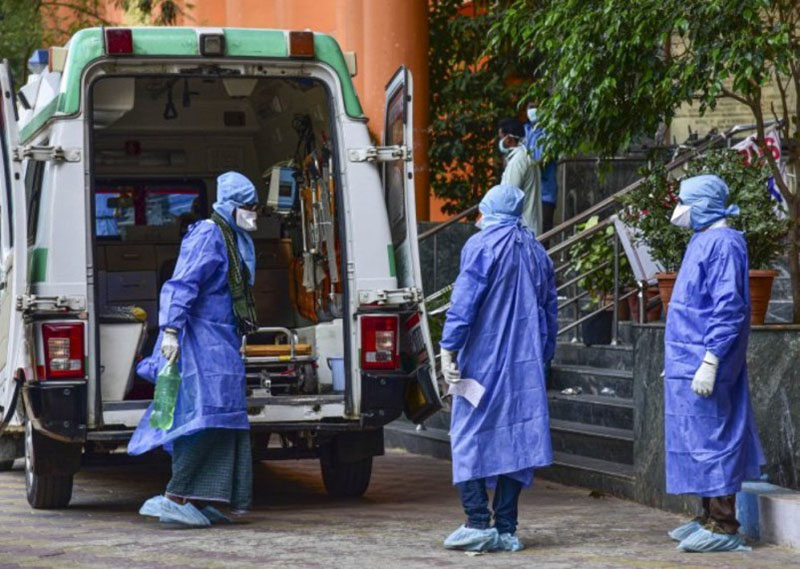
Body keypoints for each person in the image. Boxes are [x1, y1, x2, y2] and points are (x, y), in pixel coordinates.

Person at [128, 171, 260, 527]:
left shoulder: (237, 239)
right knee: (200, 420)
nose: (254, 213)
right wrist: (170, 330)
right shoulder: (208, 234)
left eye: (256, 207)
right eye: (248, 206)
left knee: (224, 419)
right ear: (230, 205)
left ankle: (200, 499)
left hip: (222, 342)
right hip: (198, 343)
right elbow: (182, 283)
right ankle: (175, 497)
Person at [439, 184, 558, 553]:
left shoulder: (481, 246)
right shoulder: (537, 252)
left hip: (482, 361)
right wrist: (544, 359)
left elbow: (464, 303)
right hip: (526, 366)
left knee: (468, 435)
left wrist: (448, 348)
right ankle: (506, 528)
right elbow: (550, 313)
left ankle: (477, 521)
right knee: (516, 441)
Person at [664, 174, 765, 553]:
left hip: (709, 357)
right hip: (689, 355)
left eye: (685, 202)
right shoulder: (702, 239)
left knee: (714, 436)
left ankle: (724, 525)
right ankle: (707, 516)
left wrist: (711, 359)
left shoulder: (724, 243)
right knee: (697, 435)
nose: (679, 211)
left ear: (704, 204)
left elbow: (728, 307)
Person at [498, 117, 542, 235]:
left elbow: (509, 198)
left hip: (522, 231)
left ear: (508, 139)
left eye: (501, 138)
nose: (500, 142)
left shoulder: (518, 161)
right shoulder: (525, 156)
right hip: (527, 228)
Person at [524, 101, 558, 235]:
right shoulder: (527, 131)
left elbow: (544, 161)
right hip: (528, 195)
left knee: (543, 236)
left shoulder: (549, 132)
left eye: (536, 107)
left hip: (545, 195)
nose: (533, 110)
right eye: (530, 107)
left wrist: (526, 168)